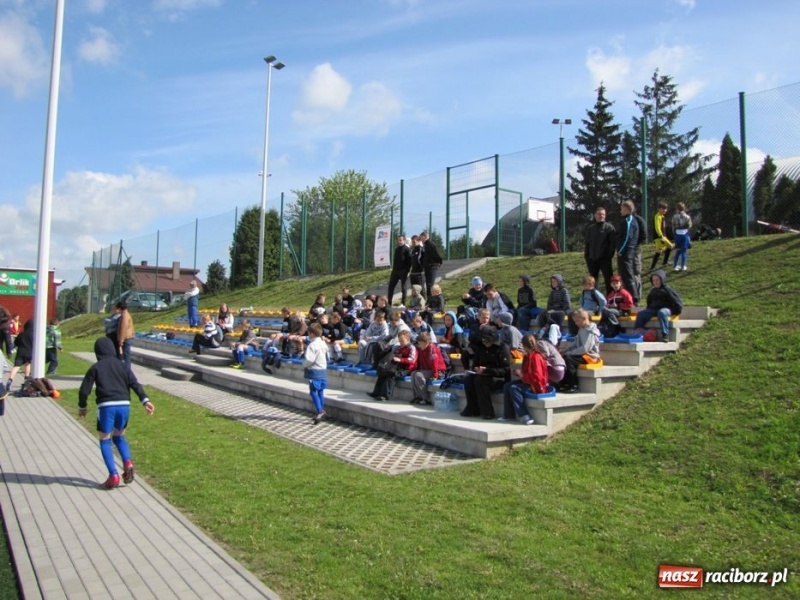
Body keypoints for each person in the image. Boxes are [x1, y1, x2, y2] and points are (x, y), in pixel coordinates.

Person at [78, 336, 154, 489]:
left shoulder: (96, 367)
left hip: (106, 406)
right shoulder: (123, 366)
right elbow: (135, 384)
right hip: (124, 405)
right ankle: (127, 462)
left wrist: (82, 406)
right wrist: (145, 400)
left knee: (105, 440)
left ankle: (113, 475)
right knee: (120, 437)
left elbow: (84, 389)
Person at [461, 325, 510, 420]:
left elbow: (505, 370)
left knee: (481, 381)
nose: (485, 343)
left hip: (498, 377)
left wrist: (487, 370)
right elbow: (475, 363)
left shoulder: (502, 348)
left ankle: (488, 412)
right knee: (468, 379)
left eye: (487, 341)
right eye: (483, 341)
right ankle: (473, 408)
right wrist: (477, 369)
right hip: (482, 374)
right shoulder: (481, 347)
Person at [501, 334, 549, 425]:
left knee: (514, 388)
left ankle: (525, 415)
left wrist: (522, 375)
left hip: (536, 385)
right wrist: (518, 373)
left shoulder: (536, 357)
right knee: (507, 386)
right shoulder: (528, 356)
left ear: (525, 346)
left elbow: (537, 377)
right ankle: (508, 415)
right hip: (528, 381)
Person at [634, 269, 683, 343]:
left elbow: (677, 301)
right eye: (654, 280)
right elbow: (649, 302)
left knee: (662, 312)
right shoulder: (653, 290)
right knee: (641, 314)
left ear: (662, 280)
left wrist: (677, 311)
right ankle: (638, 332)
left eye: (657, 280)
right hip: (654, 309)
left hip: (667, 309)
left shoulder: (667, 290)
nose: (655, 282)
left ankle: (665, 334)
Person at [559, 309, 601, 393]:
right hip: (581, 354)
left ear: (585, 319)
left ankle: (574, 385)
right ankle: (565, 383)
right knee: (564, 357)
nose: (575, 323)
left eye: (577, 321)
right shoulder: (581, 329)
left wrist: (570, 353)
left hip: (589, 356)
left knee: (569, 359)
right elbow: (575, 343)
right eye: (575, 321)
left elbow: (585, 348)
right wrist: (565, 351)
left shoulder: (590, 331)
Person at [369, 329, 416, 402]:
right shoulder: (400, 348)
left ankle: (385, 395)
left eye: (402, 341)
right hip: (398, 367)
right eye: (399, 341)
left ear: (408, 339)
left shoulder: (411, 348)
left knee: (392, 375)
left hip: (407, 369)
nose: (400, 343)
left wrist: (401, 360)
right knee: (383, 373)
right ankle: (376, 392)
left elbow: (412, 360)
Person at [583, 206, 616, 293]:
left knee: (608, 279)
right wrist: (587, 256)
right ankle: (594, 299)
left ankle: (610, 299)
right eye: (599, 214)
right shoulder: (590, 229)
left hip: (605, 259)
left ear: (605, 216)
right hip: (592, 259)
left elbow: (612, 245)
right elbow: (587, 244)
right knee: (593, 281)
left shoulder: (610, 228)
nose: (601, 216)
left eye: (603, 214)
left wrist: (608, 257)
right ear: (595, 215)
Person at [409, 331, 447, 405]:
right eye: (419, 344)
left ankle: (426, 398)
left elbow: (434, 363)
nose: (419, 346)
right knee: (413, 373)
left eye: (421, 344)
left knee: (418, 375)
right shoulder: (422, 349)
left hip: (438, 372)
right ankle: (417, 396)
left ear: (427, 342)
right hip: (428, 370)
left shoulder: (432, 349)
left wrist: (435, 375)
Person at [616, 200, 641, 304]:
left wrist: (621, 250)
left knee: (628, 275)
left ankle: (634, 298)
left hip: (626, 252)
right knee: (624, 275)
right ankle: (628, 298)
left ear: (626, 209)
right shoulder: (626, 220)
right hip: (625, 251)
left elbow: (627, 237)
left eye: (622, 208)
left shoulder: (629, 220)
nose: (620, 210)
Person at [303, 323, 328, 424]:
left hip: (314, 370)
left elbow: (309, 359)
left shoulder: (312, 345)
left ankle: (320, 410)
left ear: (312, 334)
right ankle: (320, 410)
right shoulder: (323, 343)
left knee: (313, 391)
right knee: (320, 391)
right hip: (323, 369)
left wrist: (304, 364)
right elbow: (328, 356)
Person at [7, 319, 33, 390]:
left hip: (20, 352)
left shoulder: (21, 334)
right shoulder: (34, 335)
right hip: (29, 352)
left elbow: (16, 343)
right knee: (27, 364)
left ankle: (10, 380)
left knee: (16, 366)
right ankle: (26, 381)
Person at [387, 234, 412, 306]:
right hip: (395, 271)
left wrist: (407, 271)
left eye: (401, 240)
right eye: (398, 240)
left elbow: (409, 261)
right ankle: (389, 303)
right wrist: (393, 269)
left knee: (403, 287)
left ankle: (403, 303)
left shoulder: (407, 249)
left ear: (404, 240)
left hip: (403, 271)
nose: (399, 241)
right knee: (391, 286)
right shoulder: (396, 249)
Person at [650, 201, 674, 271]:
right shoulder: (657, 216)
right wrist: (660, 235)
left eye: (666, 209)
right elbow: (657, 227)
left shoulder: (662, 216)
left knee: (666, 248)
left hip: (662, 236)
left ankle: (662, 263)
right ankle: (653, 267)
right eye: (663, 209)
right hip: (659, 237)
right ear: (659, 209)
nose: (665, 210)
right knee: (665, 248)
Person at [420, 230, 443, 299]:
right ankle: (429, 300)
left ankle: (433, 299)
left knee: (430, 284)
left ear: (425, 236)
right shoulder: (425, 245)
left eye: (421, 237)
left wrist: (440, 261)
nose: (421, 239)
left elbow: (436, 254)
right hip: (427, 267)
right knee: (428, 284)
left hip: (432, 266)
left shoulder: (430, 244)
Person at [114, 301, 135, 371]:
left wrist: (121, 340)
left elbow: (123, 328)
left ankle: (127, 372)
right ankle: (126, 371)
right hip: (126, 337)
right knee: (125, 356)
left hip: (126, 338)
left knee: (126, 357)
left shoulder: (124, 316)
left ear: (120, 308)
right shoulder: (125, 314)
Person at [672, 202, 693, 271]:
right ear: (684, 208)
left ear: (677, 209)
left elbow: (673, 227)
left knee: (678, 250)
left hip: (677, 234)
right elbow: (689, 225)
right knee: (684, 251)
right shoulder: (687, 217)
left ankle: (675, 266)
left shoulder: (674, 216)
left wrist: (674, 233)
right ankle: (683, 266)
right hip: (684, 234)